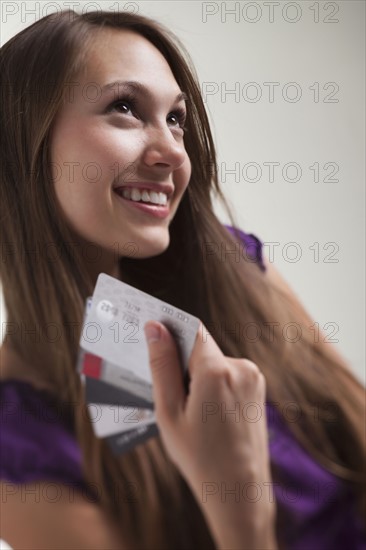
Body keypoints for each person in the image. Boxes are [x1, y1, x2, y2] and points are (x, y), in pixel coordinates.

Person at [0, 9, 365, 550]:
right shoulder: (17, 453)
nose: (174, 151)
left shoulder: (233, 264)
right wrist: (241, 513)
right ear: (22, 141)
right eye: (124, 108)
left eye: (176, 118)